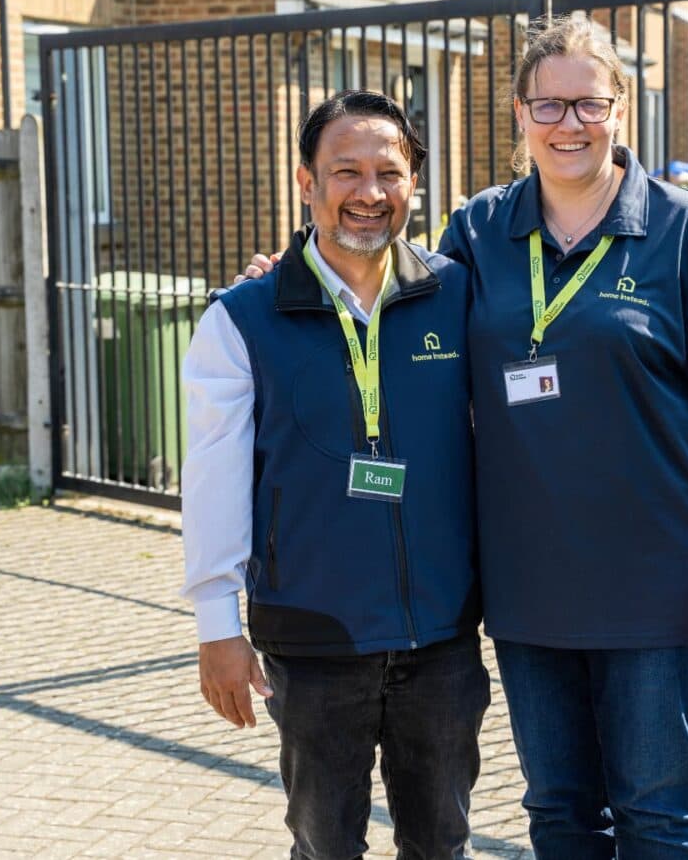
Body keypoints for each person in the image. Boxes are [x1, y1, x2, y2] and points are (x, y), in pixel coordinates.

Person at [243, 18, 688, 859]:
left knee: (658, 812)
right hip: (529, 590)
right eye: (549, 104)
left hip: (657, 585)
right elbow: (389, 299)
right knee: (561, 812)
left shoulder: (684, 231)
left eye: (589, 103)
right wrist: (286, 281)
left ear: (620, 110)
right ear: (520, 113)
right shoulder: (480, 230)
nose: (569, 124)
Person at [182, 90, 489, 860]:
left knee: (442, 845)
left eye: (389, 173)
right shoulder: (241, 319)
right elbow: (214, 481)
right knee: (325, 848)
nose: (369, 192)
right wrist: (218, 626)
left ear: (414, 184)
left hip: (441, 636)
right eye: (346, 171)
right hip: (314, 638)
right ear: (305, 181)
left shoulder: (459, 296)